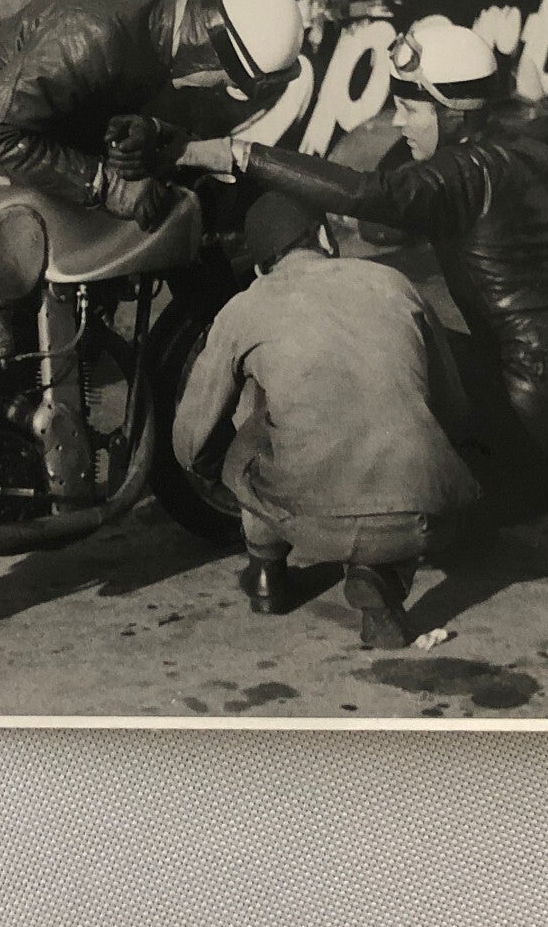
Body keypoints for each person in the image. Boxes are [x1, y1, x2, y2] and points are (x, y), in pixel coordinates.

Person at [176, 19, 548, 513]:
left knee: (376, 345)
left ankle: (365, 515)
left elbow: (368, 194)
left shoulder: (467, 172)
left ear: (454, 113)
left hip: (528, 414)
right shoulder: (532, 134)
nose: (397, 121)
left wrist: (234, 154)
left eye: (410, 108)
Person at [172, 193, 480, 647]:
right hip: (423, 515)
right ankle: (382, 577)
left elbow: (190, 439)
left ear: (260, 268)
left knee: (256, 417)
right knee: (403, 417)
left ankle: (266, 571)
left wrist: (221, 477)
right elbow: (453, 406)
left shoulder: (243, 308)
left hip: (308, 515)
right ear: (324, 238)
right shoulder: (393, 282)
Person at [0, 0, 304, 273]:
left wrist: (127, 131)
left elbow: (71, 96)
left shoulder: (158, 11)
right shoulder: (96, 33)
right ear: (211, 48)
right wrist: (107, 185)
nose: (213, 87)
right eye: (222, 79)